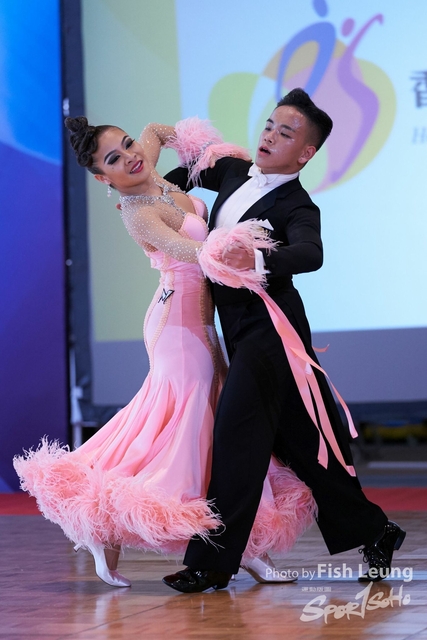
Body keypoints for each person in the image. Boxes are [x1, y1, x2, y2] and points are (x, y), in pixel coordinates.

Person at [13, 115, 316, 588]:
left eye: (127, 144)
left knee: (217, 426)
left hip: (201, 322)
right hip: (176, 323)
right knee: (194, 426)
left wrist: (202, 148)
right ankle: (103, 518)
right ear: (103, 179)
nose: (131, 156)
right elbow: (194, 252)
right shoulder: (137, 212)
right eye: (114, 159)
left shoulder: (146, 162)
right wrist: (240, 245)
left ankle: (239, 543)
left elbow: (155, 130)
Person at [161, 88, 406, 594]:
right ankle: (377, 530)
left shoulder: (297, 204)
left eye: (286, 132)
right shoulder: (234, 171)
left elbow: (311, 253)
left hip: (273, 334)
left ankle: (211, 564)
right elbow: (176, 179)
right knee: (306, 448)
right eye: (270, 125)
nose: (270, 135)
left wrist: (256, 259)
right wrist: (142, 192)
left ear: (306, 153)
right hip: (239, 330)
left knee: (236, 436)